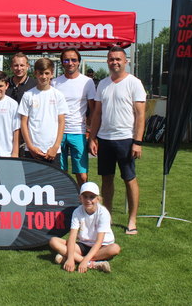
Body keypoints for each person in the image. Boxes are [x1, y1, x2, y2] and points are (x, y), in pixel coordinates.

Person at [88, 46, 146, 235]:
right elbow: (97, 113)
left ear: (126, 61)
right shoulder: (103, 84)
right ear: (107, 61)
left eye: (118, 59)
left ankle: (132, 220)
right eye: (111, 59)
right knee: (106, 180)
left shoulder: (134, 83)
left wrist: (137, 142)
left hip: (126, 140)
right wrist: (93, 137)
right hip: (104, 139)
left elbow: (140, 115)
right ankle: (107, 218)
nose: (115, 62)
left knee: (129, 179)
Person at [48, 182, 120, 273]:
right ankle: (91, 264)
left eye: (92, 197)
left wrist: (84, 260)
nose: (88, 200)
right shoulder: (77, 212)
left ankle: (74, 257)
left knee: (115, 248)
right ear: (80, 198)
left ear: (98, 199)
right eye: (85, 196)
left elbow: (99, 241)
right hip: (84, 245)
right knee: (53, 241)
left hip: (102, 246)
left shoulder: (103, 213)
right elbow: (72, 236)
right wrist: (70, 259)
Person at [52, 48, 96, 186]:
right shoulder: (54, 83)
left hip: (78, 132)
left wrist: (92, 135)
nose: (70, 63)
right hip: (57, 133)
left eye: (73, 60)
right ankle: (63, 204)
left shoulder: (87, 82)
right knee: (60, 173)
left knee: (82, 175)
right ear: (62, 63)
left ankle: (83, 203)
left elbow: (93, 110)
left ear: (78, 62)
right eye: (66, 60)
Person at [18, 58, 68, 167]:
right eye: (41, 73)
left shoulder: (58, 95)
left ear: (52, 74)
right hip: (32, 150)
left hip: (52, 150)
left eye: (47, 73)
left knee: (53, 183)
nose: (44, 77)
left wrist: (55, 147)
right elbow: (23, 122)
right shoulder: (28, 95)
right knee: (31, 183)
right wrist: (30, 146)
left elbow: (61, 122)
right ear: (35, 73)